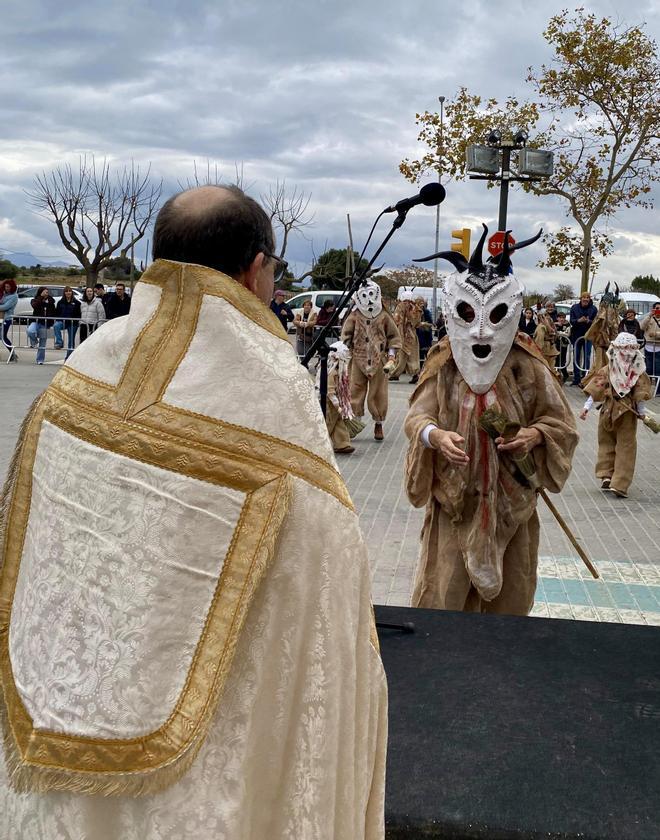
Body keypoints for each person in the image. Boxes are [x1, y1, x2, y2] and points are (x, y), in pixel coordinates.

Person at [0, 185, 386, 840]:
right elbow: (324, 587)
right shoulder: (271, 386)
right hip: (205, 770)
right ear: (257, 269)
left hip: (56, 694)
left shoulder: (83, 365)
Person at [404, 226, 577, 616]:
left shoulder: (527, 365)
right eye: (467, 313)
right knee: (443, 603)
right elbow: (418, 417)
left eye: (495, 315)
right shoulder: (444, 363)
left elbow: (562, 424)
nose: (481, 329)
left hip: (512, 506)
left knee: (508, 610)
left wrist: (535, 435)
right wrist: (435, 436)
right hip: (455, 504)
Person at [579, 332, 653, 498]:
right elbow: (597, 388)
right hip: (613, 411)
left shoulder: (636, 371)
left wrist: (642, 413)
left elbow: (639, 394)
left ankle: (616, 480)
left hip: (621, 411)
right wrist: (586, 407)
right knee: (613, 443)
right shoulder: (614, 369)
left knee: (620, 445)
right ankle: (609, 476)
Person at [341, 280, 401, 441]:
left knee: (379, 394)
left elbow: (394, 337)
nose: (368, 300)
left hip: (379, 362)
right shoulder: (354, 316)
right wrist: (345, 351)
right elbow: (345, 336)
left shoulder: (384, 316)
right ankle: (354, 423)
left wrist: (391, 355)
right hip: (358, 360)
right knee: (355, 391)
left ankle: (378, 423)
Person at [318, 340, 355, 454]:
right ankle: (319, 443)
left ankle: (342, 443)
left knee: (338, 422)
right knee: (328, 422)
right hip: (328, 402)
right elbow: (329, 391)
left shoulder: (339, 370)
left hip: (335, 400)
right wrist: (338, 406)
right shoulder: (331, 371)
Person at [584, 283, 621, 370]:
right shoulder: (601, 315)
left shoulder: (615, 315)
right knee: (599, 363)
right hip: (601, 342)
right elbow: (598, 323)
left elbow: (615, 326)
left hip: (611, 342)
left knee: (611, 363)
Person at [390, 291, 421, 382]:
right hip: (412, 334)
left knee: (401, 355)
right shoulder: (415, 308)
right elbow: (418, 323)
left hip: (401, 333)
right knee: (412, 355)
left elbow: (396, 319)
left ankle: (395, 373)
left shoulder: (400, 306)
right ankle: (415, 373)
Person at [569, 291, 597, 385]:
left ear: (589, 299)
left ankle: (585, 378)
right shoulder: (574, 307)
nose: (585, 299)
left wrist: (589, 321)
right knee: (576, 357)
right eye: (584, 297)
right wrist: (578, 320)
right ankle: (576, 378)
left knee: (587, 357)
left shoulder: (593, 309)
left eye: (587, 297)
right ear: (580, 298)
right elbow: (571, 321)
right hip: (576, 335)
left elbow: (596, 322)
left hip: (588, 336)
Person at [26, 286, 56, 364]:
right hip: (35, 322)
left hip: (45, 324)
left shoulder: (51, 301)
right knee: (30, 331)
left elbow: (53, 313)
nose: (46, 293)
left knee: (42, 343)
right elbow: (35, 306)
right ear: (40, 292)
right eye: (45, 291)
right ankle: (35, 342)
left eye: (47, 292)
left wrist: (52, 323)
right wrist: (41, 297)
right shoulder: (35, 300)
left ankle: (40, 360)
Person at [54, 285, 82, 359]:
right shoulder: (60, 302)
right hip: (62, 321)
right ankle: (59, 342)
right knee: (56, 326)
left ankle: (69, 358)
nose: (68, 293)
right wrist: (58, 319)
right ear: (64, 293)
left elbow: (79, 314)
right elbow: (57, 313)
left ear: (72, 293)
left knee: (71, 341)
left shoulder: (77, 303)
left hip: (73, 323)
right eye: (66, 291)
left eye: (70, 291)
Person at [533, 305, 559, 374]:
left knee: (549, 370)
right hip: (545, 350)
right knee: (547, 370)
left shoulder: (548, 323)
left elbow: (554, 333)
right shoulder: (541, 327)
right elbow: (539, 340)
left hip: (548, 349)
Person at [0, 279, 19, 362]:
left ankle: (13, 354)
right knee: (2, 336)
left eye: (8, 287)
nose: (6, 288)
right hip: (1, 318)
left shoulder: (14, 296)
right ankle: (13, 354)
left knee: (3, 336)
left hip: (7, 319)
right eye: (5, 287)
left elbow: (5, 307)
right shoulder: (5, 294)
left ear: (12, 287)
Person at [640, 302, 660, 378]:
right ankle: (648, 388)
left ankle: (658, 389)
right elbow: (641, 327)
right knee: (648, 370)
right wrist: (649, 315)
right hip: (648, 347)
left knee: (658, 370)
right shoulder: (649, 318)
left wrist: (656, 334)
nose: (659, 310)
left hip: (658, 348)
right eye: (657, 308)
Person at [415, 296, 434, 372]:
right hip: (418, 335)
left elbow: (430, 323)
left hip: (425, 335)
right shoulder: (415, 312)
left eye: (422, 303)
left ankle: (430, 370)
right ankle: (419, 372)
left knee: (427, 354)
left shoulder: (426, 312)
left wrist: (423, 324)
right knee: (419, 355)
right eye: (419, 303)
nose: (421, 305)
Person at [555, 313, 571, 383]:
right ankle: (558, 375)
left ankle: (565, 374)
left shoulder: (567, 325)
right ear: (557, 318)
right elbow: (553, 332)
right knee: (556, 360)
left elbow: (567, 334)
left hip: (563, 345)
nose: (561, 319)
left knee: (562, 360)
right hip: (556, 344)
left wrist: (559, 333)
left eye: (563, 318)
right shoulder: (555, 324)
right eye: (560, 318)